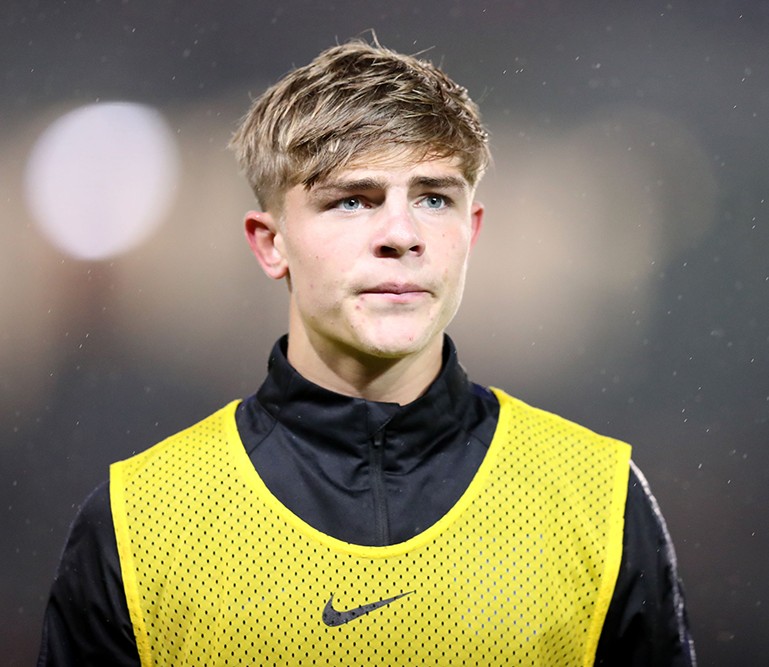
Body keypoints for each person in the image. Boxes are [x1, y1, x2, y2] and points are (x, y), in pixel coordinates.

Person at [38, 39, 695, 667]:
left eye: (433, 198)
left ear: (470, 232)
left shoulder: (599, 501)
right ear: (270, 244)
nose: (401, 235)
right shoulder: (139, 523)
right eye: (352, 199)